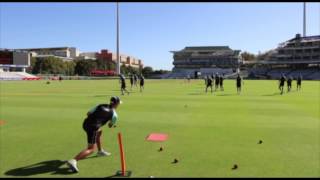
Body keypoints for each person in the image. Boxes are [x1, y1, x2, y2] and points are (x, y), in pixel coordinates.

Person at [67, 96, 122, 173]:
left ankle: (100, 151)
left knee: (100, 131)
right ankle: (74, 160)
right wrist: (110, 123)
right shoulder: (114, 115)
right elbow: (110, 125)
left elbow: (88, 113)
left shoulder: (100, 105)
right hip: (93, 128)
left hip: (85, 124)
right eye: (118, 104)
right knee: (91, 149)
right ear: (116, 104)